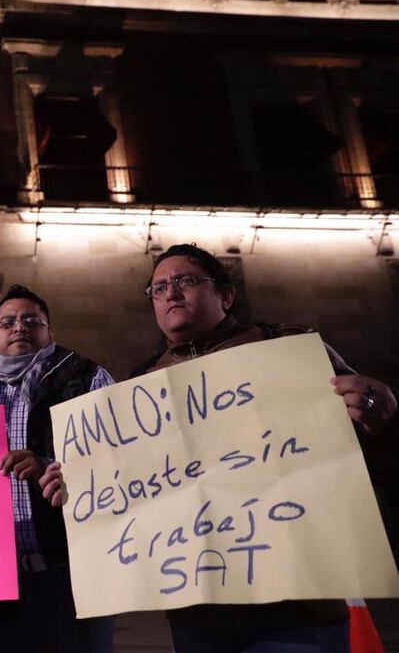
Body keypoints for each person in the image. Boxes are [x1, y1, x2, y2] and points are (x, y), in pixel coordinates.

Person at [128, 243, 399, 653]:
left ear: (226, 294)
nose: (170, 292)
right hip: (197, 612)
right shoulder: (141, 385)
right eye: (159, 286)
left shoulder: (289, 349)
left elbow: (372, 458)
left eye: (186, 280)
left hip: (297, 607)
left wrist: (384, 423)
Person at [0, 285, 115, 653]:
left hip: (72, 578)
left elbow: (121, 462)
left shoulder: (89, 379)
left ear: (50, 332)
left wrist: (52, 467)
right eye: (7, 322)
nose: (19, 327)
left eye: (31, 320)